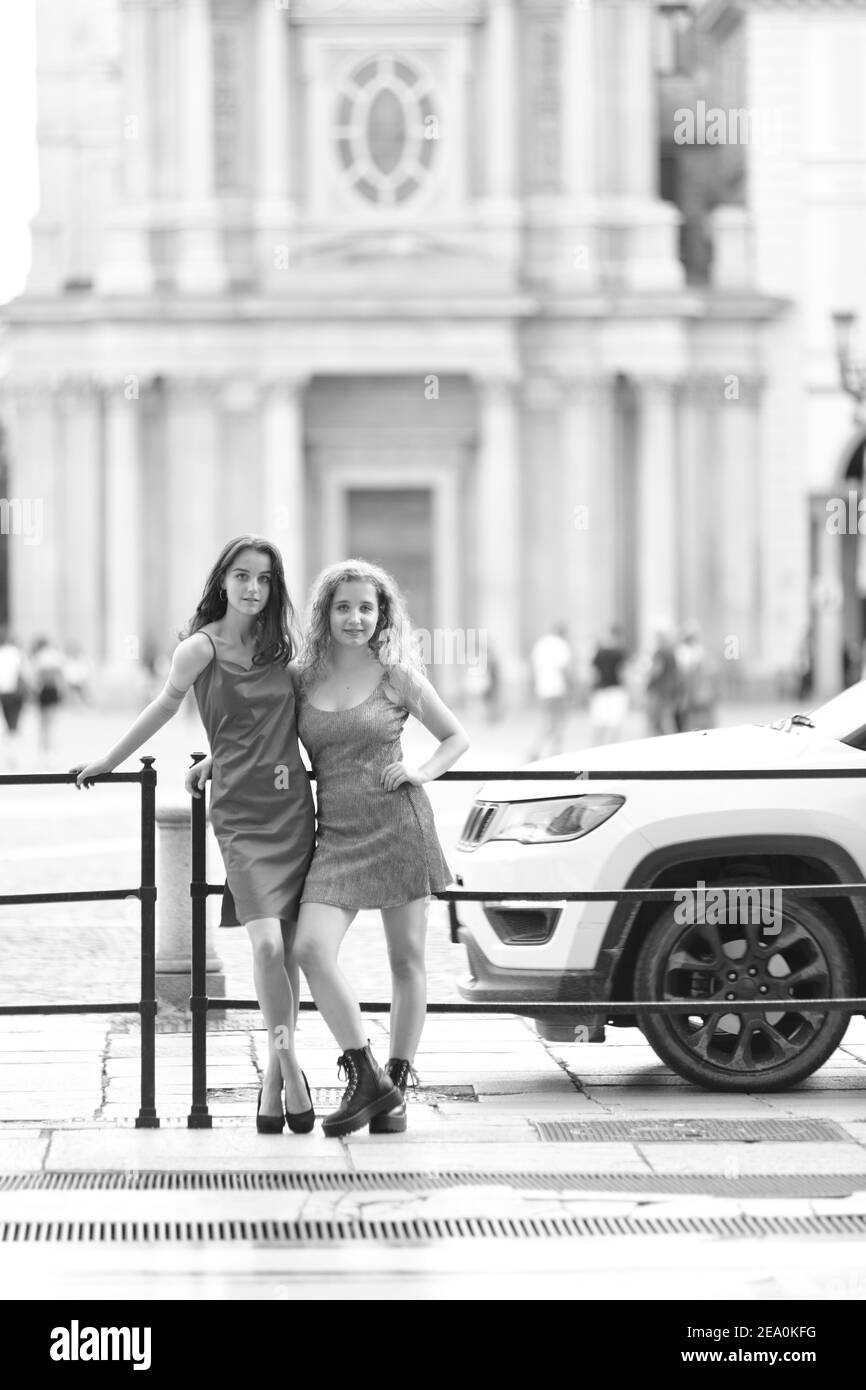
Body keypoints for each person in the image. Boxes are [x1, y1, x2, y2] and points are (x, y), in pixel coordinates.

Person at [72, 536, 317, 1135]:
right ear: (223, 580)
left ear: (274, 587)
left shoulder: (284, 651)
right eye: (242, 576)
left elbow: (291, 724)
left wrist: (218, 754)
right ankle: (288, 1064)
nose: (253, 588)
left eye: (264, 578)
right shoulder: (198, 649)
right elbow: (161, 709)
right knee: (264, 949)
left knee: (290, 954)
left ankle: (271, 1083)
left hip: (292, 809)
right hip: (240, 816)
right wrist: (110, 760)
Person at [292, 559, 470, 1137]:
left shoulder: (396, 675)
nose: (355, 618)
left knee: (406, 961)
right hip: (337, 835)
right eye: (343, 607)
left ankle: (395, 1087)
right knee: (311, 949)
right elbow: (261, 737)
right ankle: (366, 1073)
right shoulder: (301, 678)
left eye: (366, 607)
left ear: (382, 613)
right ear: (325, 613)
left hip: (399, 826)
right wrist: (220, 761)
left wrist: (422, 770)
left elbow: (456, 736)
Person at [529, 622, 572, 758]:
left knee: (549, 720)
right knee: (558, 721)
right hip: (558, 688)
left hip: (543, 688)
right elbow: (563, 668)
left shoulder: (541, 644)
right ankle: (554, 751)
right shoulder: (561, 645)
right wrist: (570, 687)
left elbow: (533, 666)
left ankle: (539, 750)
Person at [675, 620, 718, 731]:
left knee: (695, 726)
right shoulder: (695, 651)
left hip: (696, 696)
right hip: (698, 696)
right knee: (699, 725)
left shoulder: (686, 652)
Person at [590, 624, 629, 745]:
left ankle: (595, 750)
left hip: (600, 691)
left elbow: (593, 674)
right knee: (615, 724)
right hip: (616, 691)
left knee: (599, 725)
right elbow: (622, 673)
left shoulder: (599, 652)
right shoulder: (620, 653)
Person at [30, 636, 66, 754]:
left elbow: (36, 679)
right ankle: (48, 750)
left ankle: (44, 749)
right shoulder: (55, 656)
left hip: (43, 691)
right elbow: (60, 677)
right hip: (52, 690)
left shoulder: (39, 657)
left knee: (43, 723)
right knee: (50, 723)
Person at [644, 625, 681, 736]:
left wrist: (647, 676)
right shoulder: (672, 652)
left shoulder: (660, 652)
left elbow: (657, 670)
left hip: (658, 691)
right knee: (667, 719)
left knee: (657, 721)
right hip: (670, 690)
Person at [0, 629, 28, 767]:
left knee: (8, 723)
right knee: (14, 724)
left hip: (4, 693)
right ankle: (13, 753)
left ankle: (11, 752)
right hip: (15, 693)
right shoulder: (16, 653)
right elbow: (22, 672)